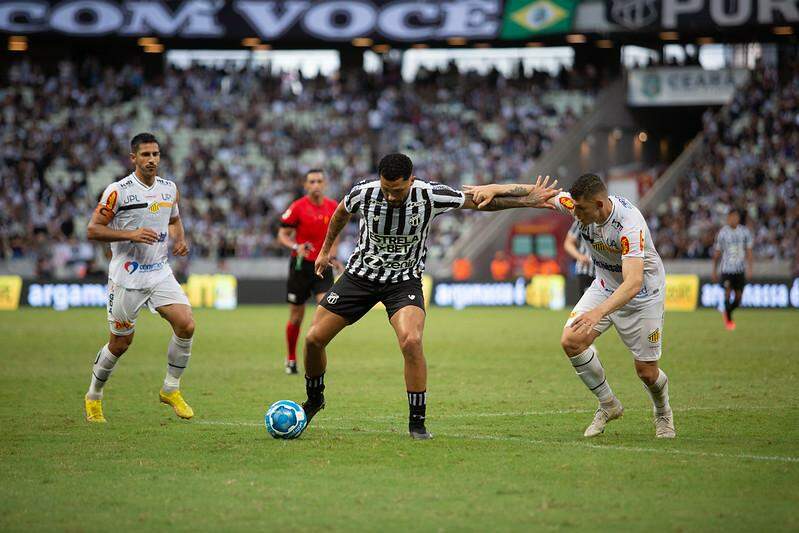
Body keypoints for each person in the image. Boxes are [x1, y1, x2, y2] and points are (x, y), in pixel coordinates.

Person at [301, 154, 559, 439]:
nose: (390, 196)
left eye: (397, 190)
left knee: (411, 341)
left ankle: (417, 422)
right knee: (313, 339)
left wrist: (526, 199)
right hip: (360, 276)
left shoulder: (430, 194)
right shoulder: (364, 192)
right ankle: (315, 399)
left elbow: (482, 201)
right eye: (386, 188)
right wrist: (325, 250)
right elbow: (341, 212)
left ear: (411, 180)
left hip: (403, 281)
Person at [467, 174, 675, 439]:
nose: (575, 214)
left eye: (581, 209)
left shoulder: (629, 226)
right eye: (573, 207)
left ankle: (663, 413)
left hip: (642, 296)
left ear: (600, 204)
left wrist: (598, 312)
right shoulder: (579, 207)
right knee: (571, 341)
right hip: (605, 286)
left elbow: (633, 282)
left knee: (646, 372)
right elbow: (537, 194)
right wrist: (494, 188)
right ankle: (608, 404)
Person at [83, 133, 195, 423]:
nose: (151, 160)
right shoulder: (118, 191)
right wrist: (130, 234)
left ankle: (170, 389)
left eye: (155, 154)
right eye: (145, 155)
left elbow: (174, 220)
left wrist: (179, 240)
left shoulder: (169, 189)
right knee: (120, 344)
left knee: (186, 324)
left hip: (159, 272)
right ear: (133, 158)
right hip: (126, 278)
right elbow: (93, 230)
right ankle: (94, 395)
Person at [277, 169, 340, 374]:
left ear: (325, 184)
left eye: (319, 181)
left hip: (322, 266)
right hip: (301, 266)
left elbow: (335, 234)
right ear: (306, 185)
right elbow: (283, 234)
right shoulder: (298, 207)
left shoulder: (332, 207)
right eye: (311, 181)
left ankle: (312, 352)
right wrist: (296, 247)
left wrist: (333, 255)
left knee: (325, 309)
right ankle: (291, 357)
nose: (315, 185)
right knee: (296, 316)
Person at [712, 210, 753, 331]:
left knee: (738, 298)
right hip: (727, 270)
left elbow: (749, 251)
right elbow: (717, 253)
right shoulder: (723, 233)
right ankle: (729, 320)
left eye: (734, 217)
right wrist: (714, 270)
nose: (732, 219)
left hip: (740, 270)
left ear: (738, 218)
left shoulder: (745, 232)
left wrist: (750, 268)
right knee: (728, 292)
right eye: (730, 217)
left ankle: (727, 311)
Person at [564, 220, 595, 295]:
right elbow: (568, 243)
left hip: (608, 273)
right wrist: (579, 256)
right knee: (589, 304)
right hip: (587, 270)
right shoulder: (582, 220)